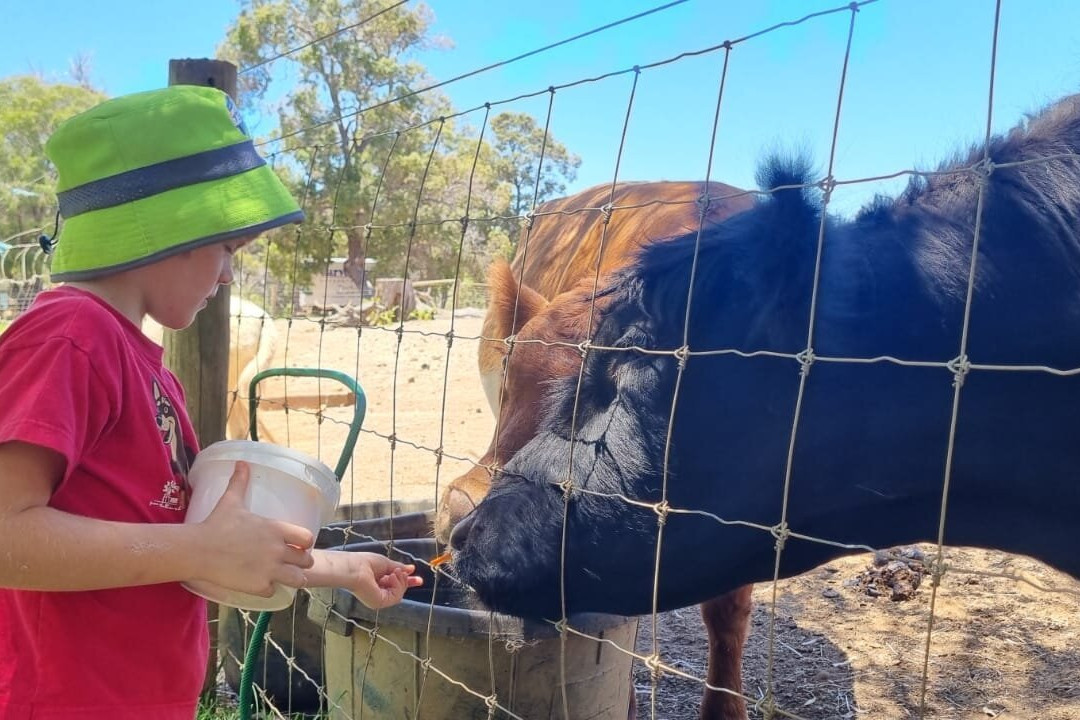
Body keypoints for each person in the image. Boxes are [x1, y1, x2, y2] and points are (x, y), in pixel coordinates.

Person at [0, 85, 422, 719]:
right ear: (171, 228)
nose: (229, 277)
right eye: (228, 249)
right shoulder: (72, 338)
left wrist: (343, 568)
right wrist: (198, 551)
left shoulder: (147, 366)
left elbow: (201, 542)